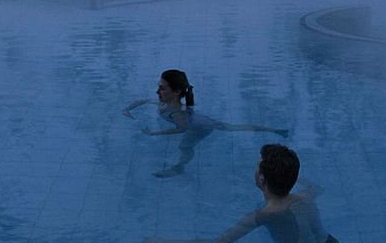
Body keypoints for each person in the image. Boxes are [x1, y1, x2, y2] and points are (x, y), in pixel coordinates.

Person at [148, 144, 335, 243]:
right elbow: (320, 188)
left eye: (256, 166)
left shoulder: (265, 215)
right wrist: (288, 171)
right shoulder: (306, 196)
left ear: (262, 179)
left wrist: (161, 241)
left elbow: (219, 242)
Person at [125, 69, 288, 178]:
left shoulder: (177, 112)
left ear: (175, 92)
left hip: (202, 127)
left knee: (185, 147)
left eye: (162, 88)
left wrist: (154, 133)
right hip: (202, 120)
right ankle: (274, 130)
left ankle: (179, 168)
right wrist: (128, 109)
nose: (157, 91)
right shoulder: (168, 103)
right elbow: (145, 101)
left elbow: (182, 128)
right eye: (158, 87)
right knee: (234, 127)